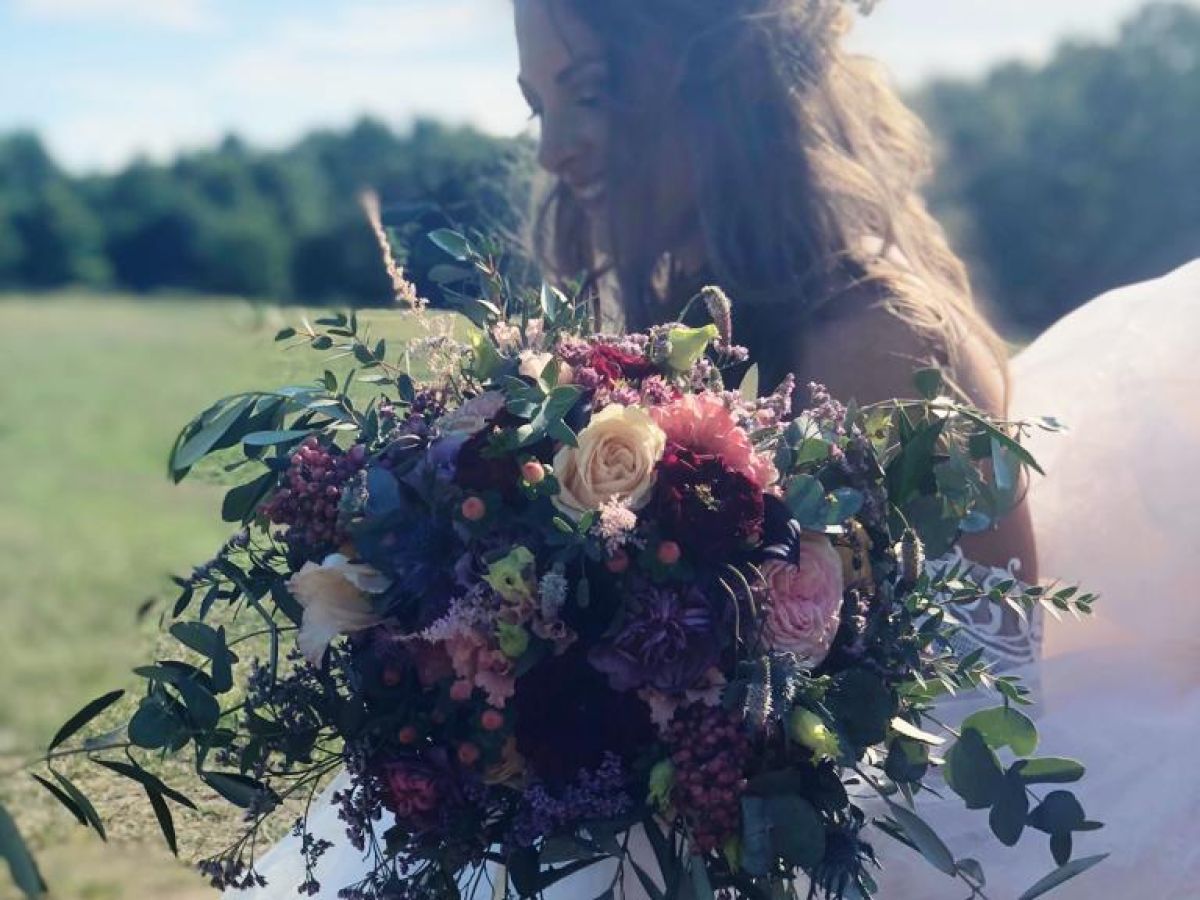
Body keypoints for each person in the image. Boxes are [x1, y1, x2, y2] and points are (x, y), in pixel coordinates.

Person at [233, 1, 1200, 896]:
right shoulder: (676, 323)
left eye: (593, 93)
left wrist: (709, 760)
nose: (557, 152)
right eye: (540, 110)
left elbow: (990, 697)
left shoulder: (887, 343)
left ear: (712, 80)